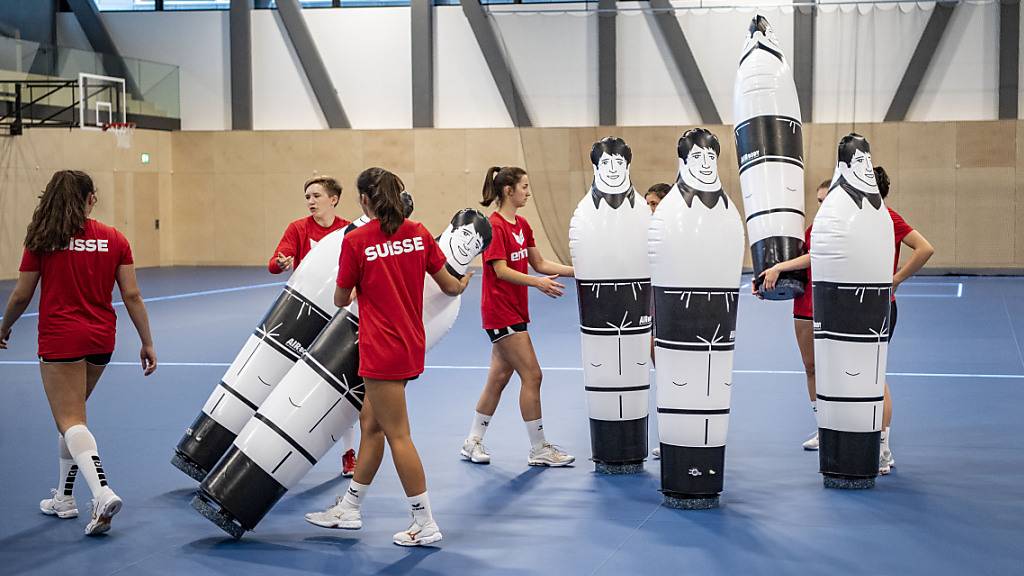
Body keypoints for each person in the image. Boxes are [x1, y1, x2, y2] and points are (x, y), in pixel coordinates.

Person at [305, 167, 470, 546]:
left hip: (380, 349)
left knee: (398, 434)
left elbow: (340, 299)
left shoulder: (357, 240)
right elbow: (449, 285)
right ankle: (350, 507)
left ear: (364, 200)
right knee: (371, 424)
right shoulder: (419, 232)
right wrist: (465, 282)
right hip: (410, 343)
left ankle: (424, 521)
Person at [0, 170, 156, 536]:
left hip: (60, 339)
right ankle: (64, 499)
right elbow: (131, 295)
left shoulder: (43, 238)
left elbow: (22, 294)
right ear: (90, 199)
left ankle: (101, 491)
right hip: (102, 340)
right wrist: (147, 341)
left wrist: (4, 325)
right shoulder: (115, 238)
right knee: (73, 419)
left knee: (70, 420)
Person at [460, 166, 576, 467]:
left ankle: (472, 441)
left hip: (516, 311)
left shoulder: (522, 225)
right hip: (500, 312)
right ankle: (539, 448)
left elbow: (538, 262)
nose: (528, 192)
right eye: (523, 186)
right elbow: (499, 270)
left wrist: (578, 272)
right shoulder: (494, 226)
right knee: (533, 375)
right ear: (508, 190)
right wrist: (538, 284)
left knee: (498, 379)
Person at [268, 175, 358, 477]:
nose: (311, 201)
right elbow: (274, 262)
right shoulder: (298, 228)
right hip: (302, 316)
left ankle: (348, 453)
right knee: (288, 381)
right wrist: (280, 263)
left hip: (340, 313)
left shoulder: (350, 230)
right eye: (307, 196)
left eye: (317, 195)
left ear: (333, 199)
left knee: (340, 386)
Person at [755, 180, 829, 451]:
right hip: (805, 308)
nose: (822, 205)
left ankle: (843, 427)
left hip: (835, 307)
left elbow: (817, 256)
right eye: (819, 201)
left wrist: (778, 266)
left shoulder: (840, 229)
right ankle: (823, 428)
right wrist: (767, 285)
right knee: (811, 368)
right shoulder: (811, 231)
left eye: (827, 199)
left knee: (836, 371)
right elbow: (799, 268)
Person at [873, 165, 934, 473]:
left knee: (874, 375)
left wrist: (896, 278)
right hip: (850, 308)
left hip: (881, 307)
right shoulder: (854, 221)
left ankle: (883, 449)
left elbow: (925, 248)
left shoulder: (888, 217)